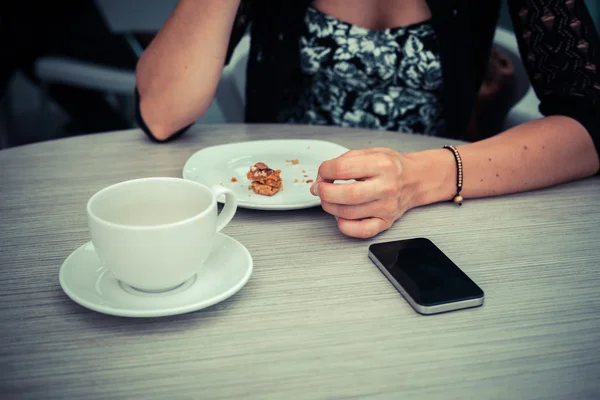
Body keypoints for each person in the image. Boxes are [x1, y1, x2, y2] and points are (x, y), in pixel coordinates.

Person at [135, 0, 600, 238]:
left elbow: (589, 121)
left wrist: (421, 177)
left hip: (430, 215)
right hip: (265, 221)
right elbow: (160, 114)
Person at [0, 1, 139, 139]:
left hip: (124, 45)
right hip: (89, 41)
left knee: (18, 27)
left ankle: (109, 128)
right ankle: (110, 128)